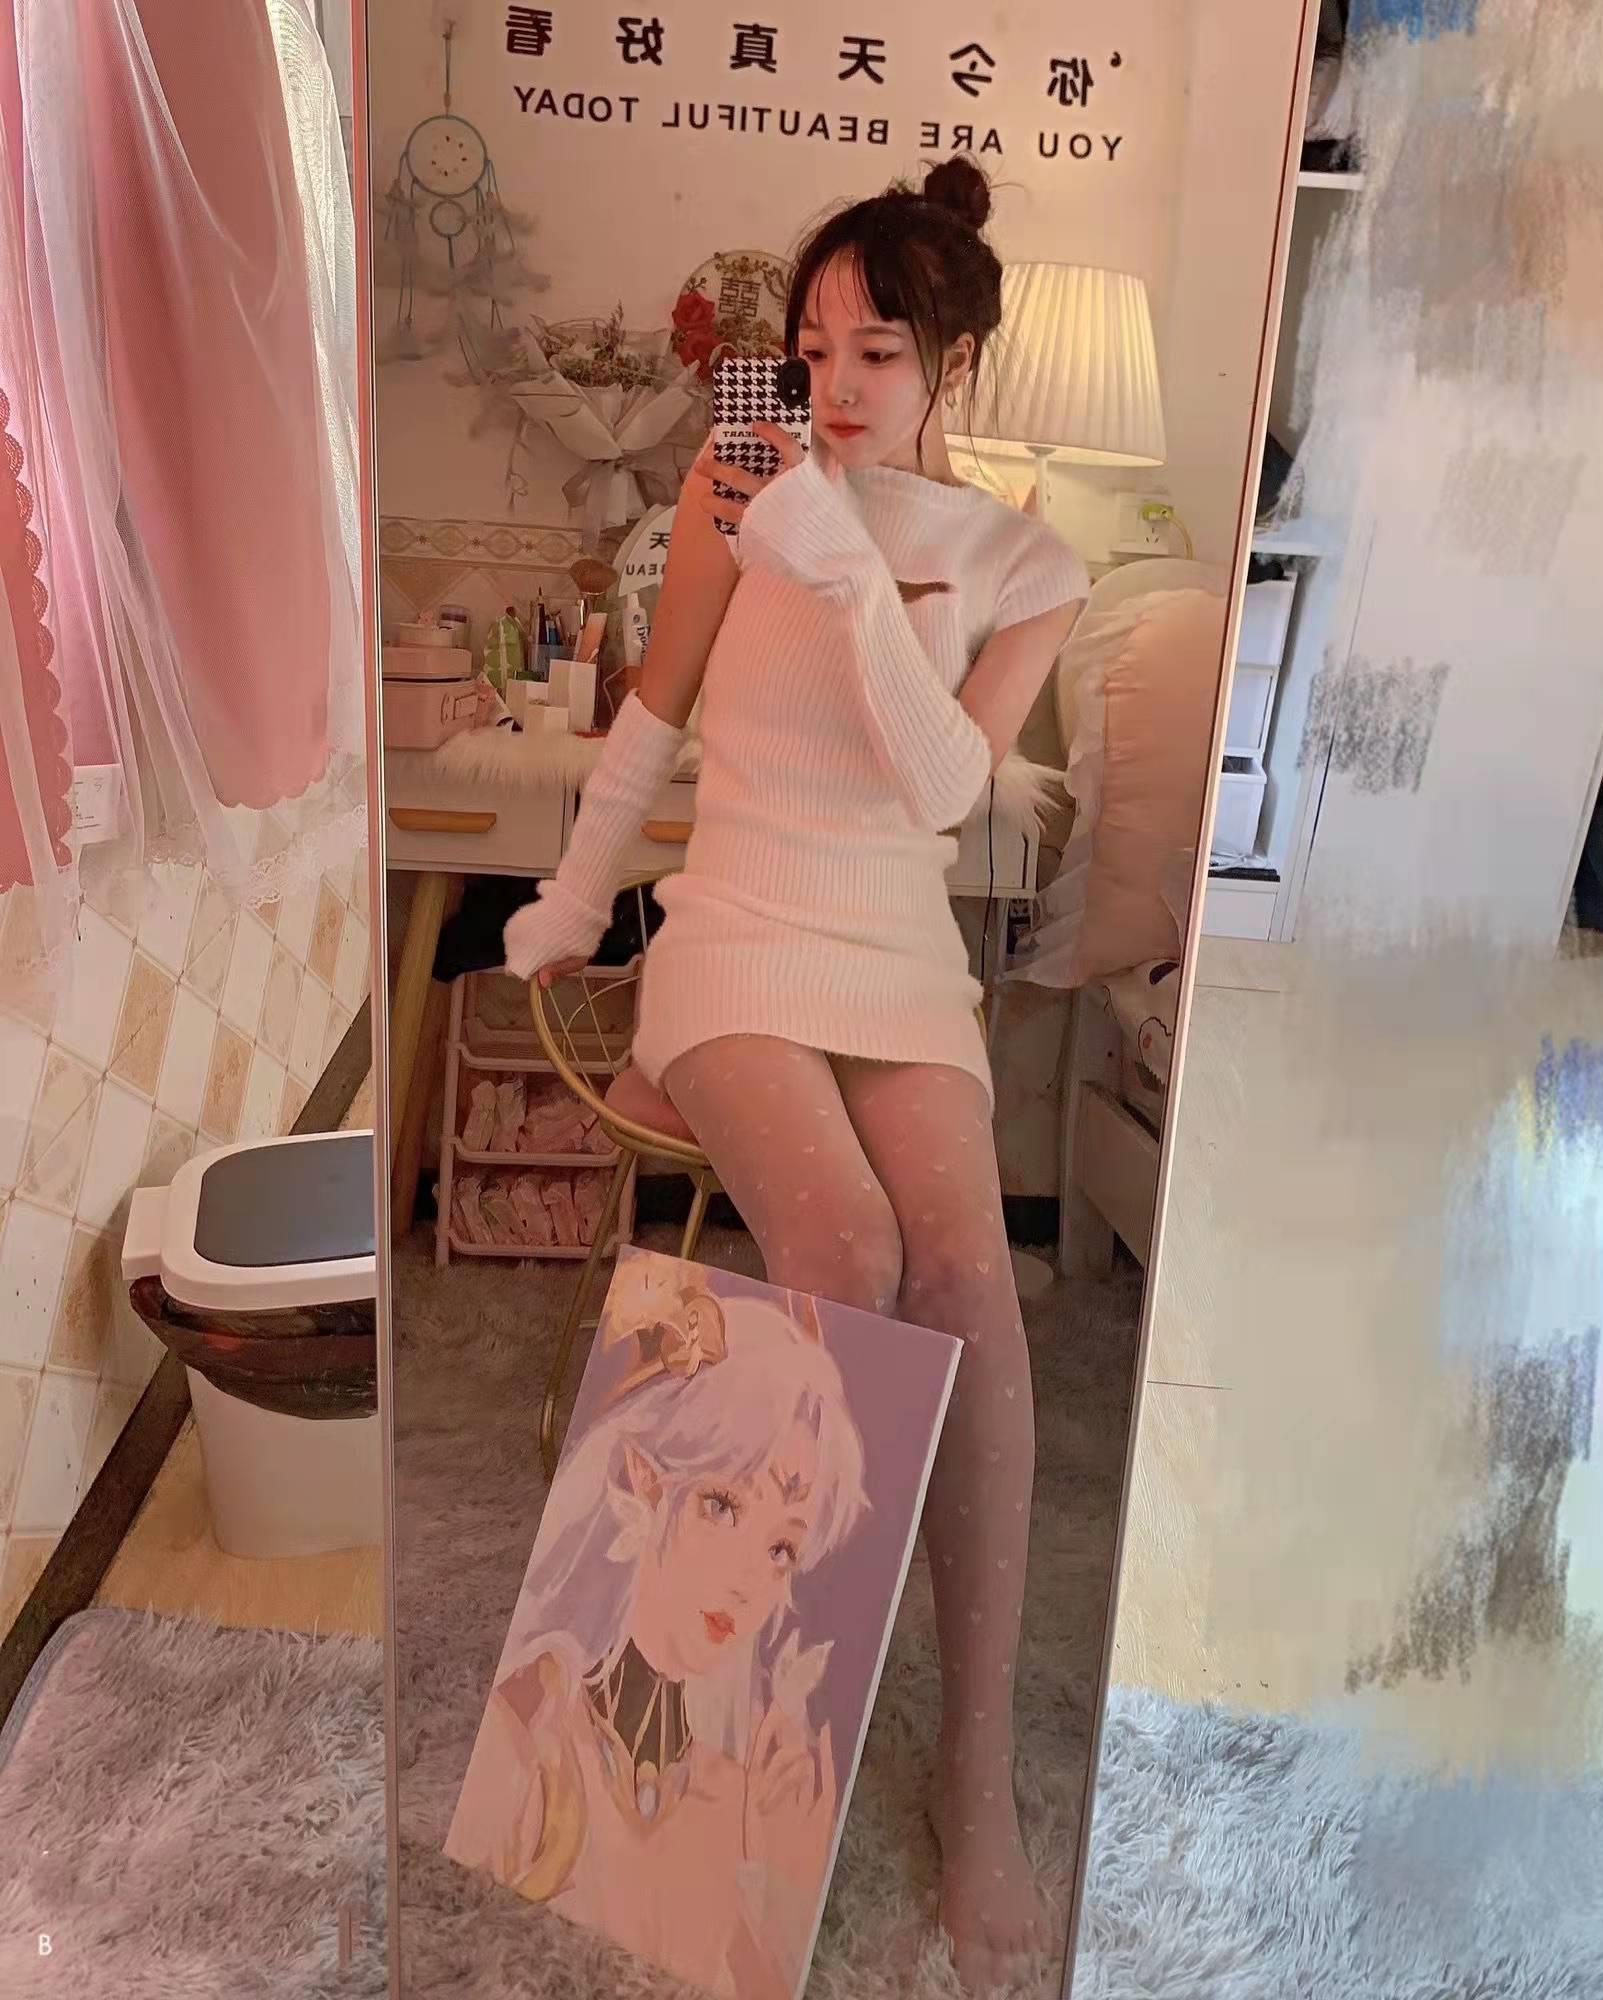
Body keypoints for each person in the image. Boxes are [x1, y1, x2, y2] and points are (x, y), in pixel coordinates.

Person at [502, 154, 1090, 1991]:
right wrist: (576, 898)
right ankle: (686, 1738)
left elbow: (943, 790)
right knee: (840, 1247)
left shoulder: (1027, 563)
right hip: (742, 917)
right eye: (814, 348)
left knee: (968, 1272)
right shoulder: (732, 488)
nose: (836, 386)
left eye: (879, 352)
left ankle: (970, 1775)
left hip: (894, 941)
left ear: (954, 366)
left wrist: (851, 583)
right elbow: (655, 711)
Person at [445, 1273, 868, 2000]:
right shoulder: (533, 1735)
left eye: (781, 1549)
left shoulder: (735, 1793)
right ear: (645, 1480)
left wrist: (786, 1877)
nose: (748, 1581)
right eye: (723, 1505)